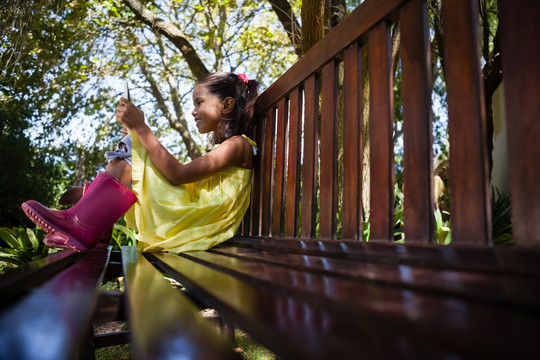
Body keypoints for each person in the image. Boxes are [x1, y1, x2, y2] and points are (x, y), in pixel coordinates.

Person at [21, 72, 259, 253]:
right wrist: (135, 132)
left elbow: (177, 174)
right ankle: (91, 223)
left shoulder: (238, 145)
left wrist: (141, 128)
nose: (193, 111)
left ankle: (86, 223)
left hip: (200, 224)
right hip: (196, 218)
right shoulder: (230, 146)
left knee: (134, 154)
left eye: (199, 102)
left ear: (227, 104)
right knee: (134, 148)